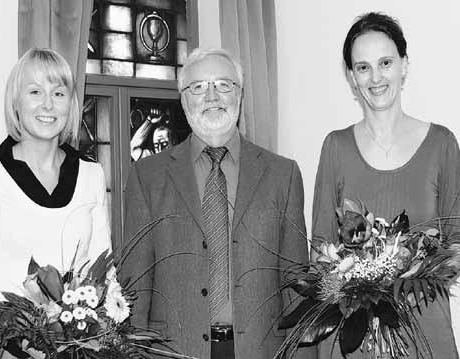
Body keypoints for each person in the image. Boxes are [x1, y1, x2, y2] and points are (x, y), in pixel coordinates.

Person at [121, 47, 316, 359]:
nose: (212, 97)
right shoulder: (147, 176)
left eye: (223, 85)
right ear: (184, 99)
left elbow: (297, 285)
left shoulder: (283, 174)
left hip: (262, 350)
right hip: (172, 351)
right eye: (198, 87)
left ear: (239, 94)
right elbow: (135, 285)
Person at [312, 12, 460, 358]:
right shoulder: (335, 147)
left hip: (423, 328)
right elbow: (321, 247)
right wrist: (356, 289)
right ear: (351, 78)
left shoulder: (442, 144)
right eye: (363, 67)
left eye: (385, 62)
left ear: (404, 65)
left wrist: (415, 285)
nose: (375, 77)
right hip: (354, 335)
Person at [0, 48, 111, 358]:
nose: (48, 104)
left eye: (58, 92)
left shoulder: (92, 174)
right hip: (7, 351)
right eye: (35, 91)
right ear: (16, 103)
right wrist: (10, 339)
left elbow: (103, 272)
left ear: (70, 104)